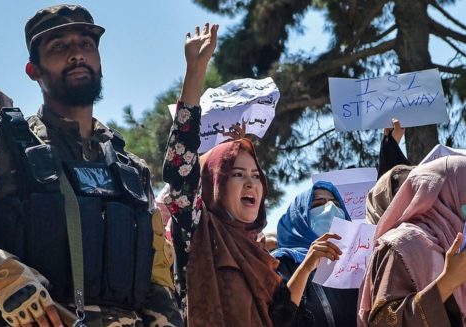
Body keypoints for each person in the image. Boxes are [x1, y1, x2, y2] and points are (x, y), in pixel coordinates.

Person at [0, 4, 181, 327]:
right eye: (58, 47)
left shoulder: (131, 170)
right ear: (33, 70)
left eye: (86, 44)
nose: (77, 54)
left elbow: (158, 287)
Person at [162, 22, 342, 326]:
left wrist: (310, 261)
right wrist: (196, 71)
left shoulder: (256, 252)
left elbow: (282, 315)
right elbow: (182, 161)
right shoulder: (197, 230)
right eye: (236, 174)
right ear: (215, 184)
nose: (250, 182)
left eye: (255, 175)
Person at [358, 156, 466, 326]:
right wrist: (447, 282)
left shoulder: (457, 239)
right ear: (446, 191)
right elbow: (385, 321)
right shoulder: (400, 245)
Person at [273, 181, 357, 327]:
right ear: (299, 219)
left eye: (337, 204)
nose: (331, 208)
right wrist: (306, 268)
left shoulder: (356, 263)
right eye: (318, 204)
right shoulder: (281, 263)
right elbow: (278, 318)